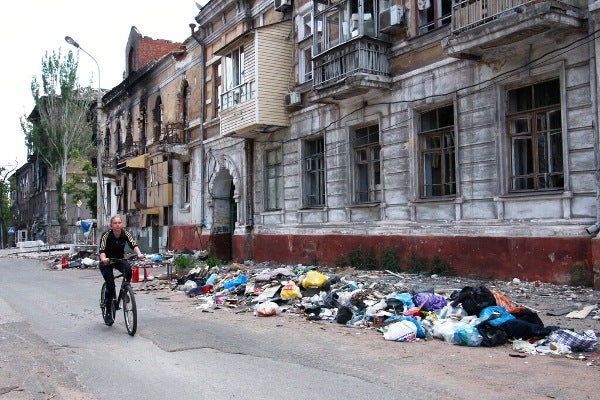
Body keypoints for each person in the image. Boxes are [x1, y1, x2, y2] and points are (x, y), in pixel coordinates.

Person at [98, 215, 144, 324]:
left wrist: (139, 254)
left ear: (121, 224)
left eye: (119, 223)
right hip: (107, 261)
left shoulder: (125, 234)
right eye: (115, 223)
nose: (117, 225)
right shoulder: (107, 235)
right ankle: (108, 311)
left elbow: (133, 244)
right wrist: (104, 259)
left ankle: (125, 290)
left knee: (128, 271)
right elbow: (102, 250)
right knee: (110, 284)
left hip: (119, 259)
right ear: (111, 225)